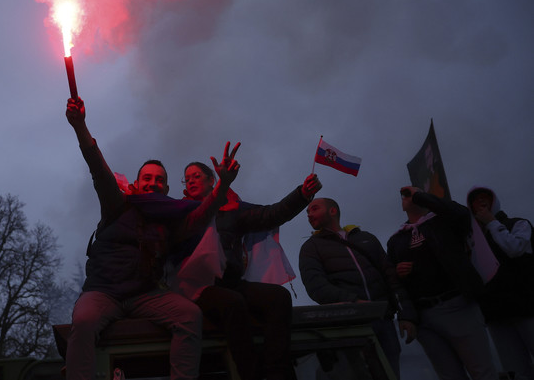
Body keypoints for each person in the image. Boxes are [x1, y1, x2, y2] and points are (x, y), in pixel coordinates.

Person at [64, 97, 240, 380]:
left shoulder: (170, 222)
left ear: (167, 187)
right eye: (147, 178)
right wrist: (80, 125)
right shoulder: (118, 204)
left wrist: (222, 187)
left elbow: (201, 218)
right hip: (103, 291)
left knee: (189, 316)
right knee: (83, 320)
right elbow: (97, 167)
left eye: (159, 180)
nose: (153, 183)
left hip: (145, 294)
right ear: (136, 183)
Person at [178, 161, 320, 380]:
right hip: (199, 287)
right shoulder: (180, 211)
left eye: (196, 176)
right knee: (233, 302)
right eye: (187, 178)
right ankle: (250, 374)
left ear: (211, 180)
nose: (190, 181)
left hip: (231, 280)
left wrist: (301, 194)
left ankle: (277, 371)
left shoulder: (232, 210)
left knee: (279, 297)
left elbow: (270, 214)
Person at [299, 197, 417, 379]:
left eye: (314, 209)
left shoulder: (367, 239)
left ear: (332, 211)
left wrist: (405, 314)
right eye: (307, 212)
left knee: (389, 372)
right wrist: (353, 303)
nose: (309, 215)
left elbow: (390, 277)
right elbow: (316, 286)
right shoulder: (310, 247)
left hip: (383, 322)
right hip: (347, 326)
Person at [387, 186, 497, 380]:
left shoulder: (444, 222)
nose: (406, 197)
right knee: (449, 376)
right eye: (404, 196)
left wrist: (420, 196)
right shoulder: (397, 239)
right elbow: (393, 280)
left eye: (411, 193)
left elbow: (462, 213)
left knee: (482, 372)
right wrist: (399, 271)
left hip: (457, 306)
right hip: (424, 317)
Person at [467, 186, 534, 379]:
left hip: (528, 306)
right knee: (516, 371)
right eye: (475, 200)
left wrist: (492, 223)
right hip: (496, 314)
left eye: (484, 198)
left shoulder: (519, 224)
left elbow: (514, 249)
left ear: (493, 201)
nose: (480, 202)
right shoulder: (473, 241)